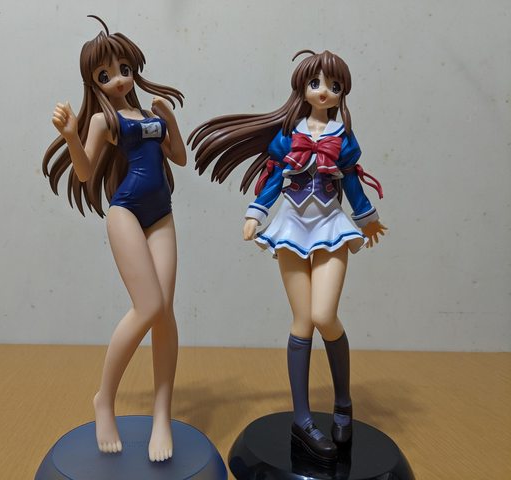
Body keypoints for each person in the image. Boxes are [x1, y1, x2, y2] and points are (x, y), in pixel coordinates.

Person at [188, 49, 386, 463]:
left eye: (334, 85)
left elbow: (352, 184)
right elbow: (274, 178)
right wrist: (255, 214)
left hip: (330, 227)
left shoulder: (342, 138)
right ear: (302, 88)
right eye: (316, 83)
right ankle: (302, 419)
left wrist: (367, 219)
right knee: (301, 321)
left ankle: (343, 402)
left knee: (324, 316)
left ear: (342, 92)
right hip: (292, 227)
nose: (324, 91)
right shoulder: (288, 135)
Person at [42, 16, 186, 462]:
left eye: (123, 70)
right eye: (106, 75)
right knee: (148, 306)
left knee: (165, 313)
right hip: (125, 212)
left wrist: (170, 120)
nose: (118, 80)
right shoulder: (104, 122)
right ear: (94, 82)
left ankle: (162, 414)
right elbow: (86, 172)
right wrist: (71, 136)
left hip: (161, 215)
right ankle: (104, 398)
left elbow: (179, 158)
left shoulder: (151, 115)